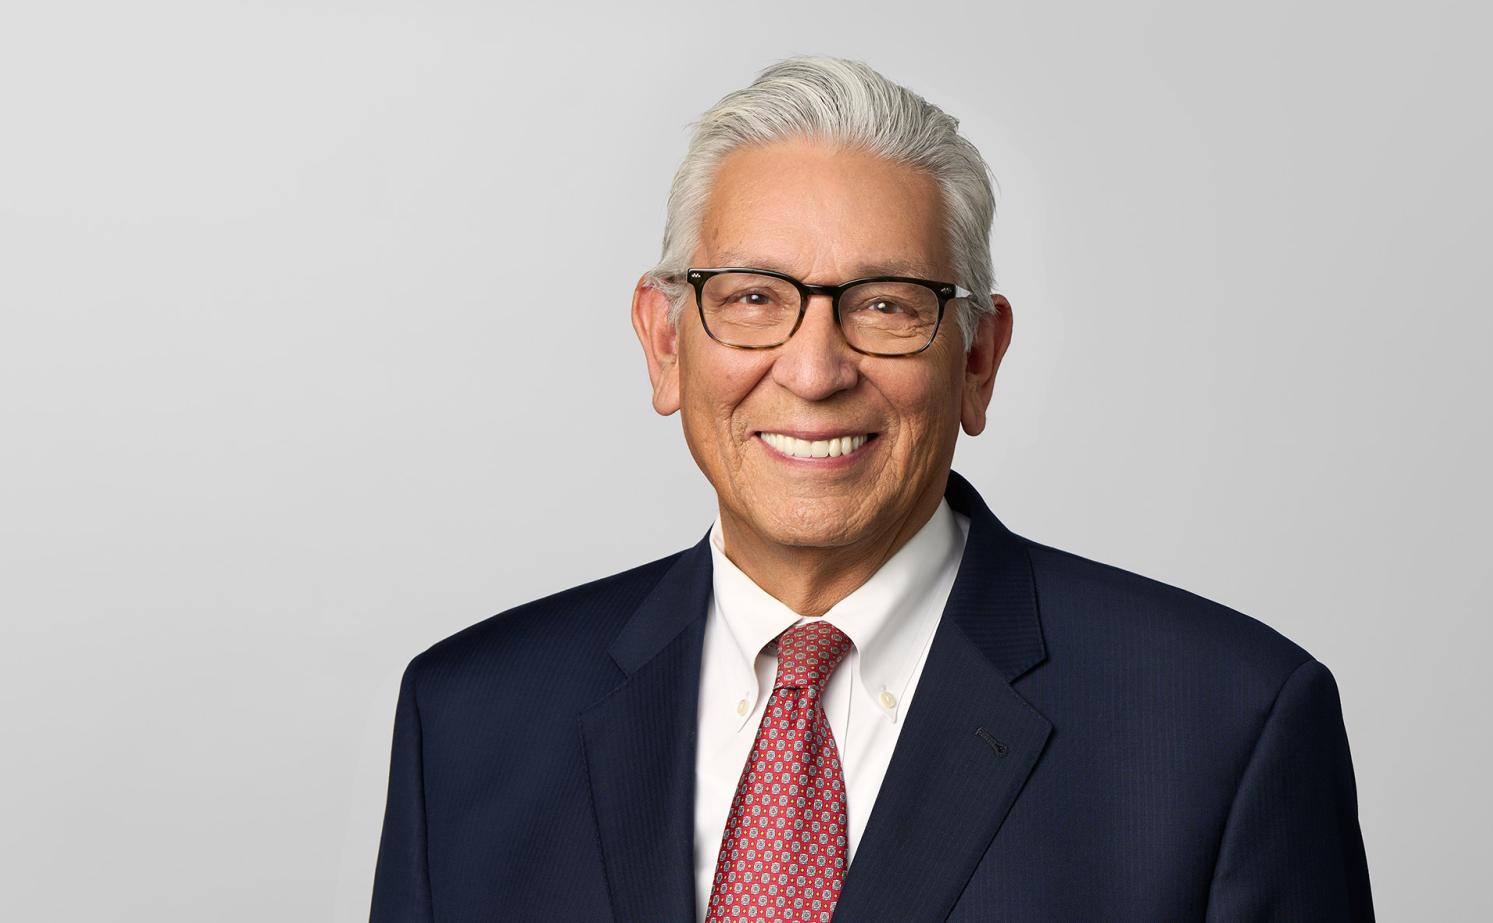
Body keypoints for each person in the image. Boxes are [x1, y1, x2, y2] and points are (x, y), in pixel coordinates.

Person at [369, 56, 1374, 922]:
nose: (812, 370)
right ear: (665, 341)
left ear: (977, 356)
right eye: (753, 298)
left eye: (886, 305)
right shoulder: (468, 722)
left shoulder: (1221, 729)